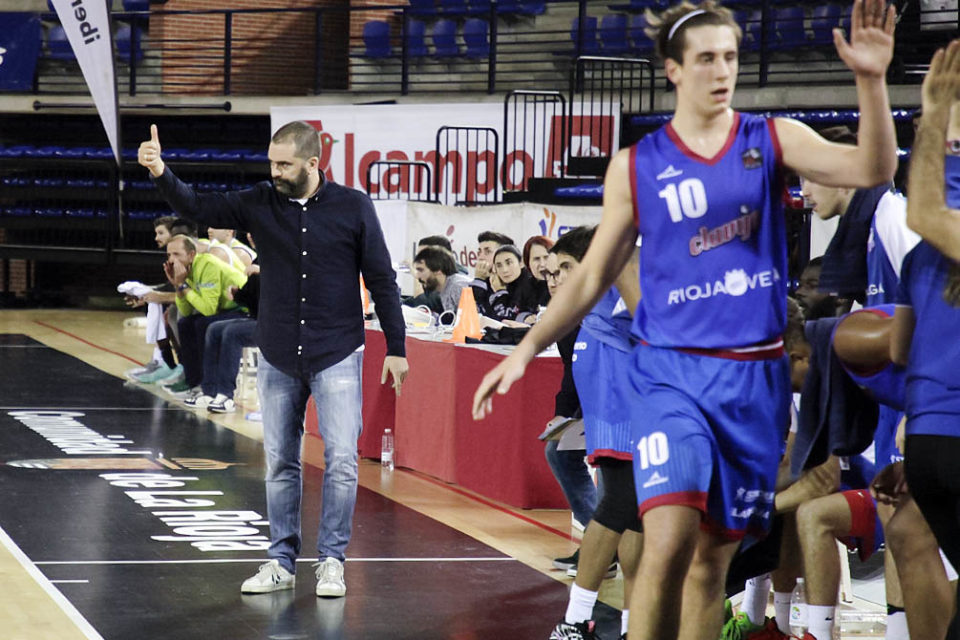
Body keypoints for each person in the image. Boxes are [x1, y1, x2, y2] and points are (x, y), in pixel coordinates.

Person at [473, 1, 897, 638]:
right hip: (671, 376)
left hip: (753, 383)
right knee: (667, 541)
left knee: (709, 565)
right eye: (706, 58)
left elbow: (873, 168)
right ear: (672, 70)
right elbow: (591, 273)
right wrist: (525, 347)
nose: (722, 70)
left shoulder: (772, 138)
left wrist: (871, 80)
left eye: (729, 56)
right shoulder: (637, 165)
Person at [138, 119, 409, 598]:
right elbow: (196, 205)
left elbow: (383, 279)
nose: (275, 171)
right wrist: (161, 171)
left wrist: (397, 347)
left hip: (337, 351)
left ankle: (331, 561)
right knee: (281, 462)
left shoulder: (354, 207)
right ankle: (281, 561)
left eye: (284, 164)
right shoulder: (260, 201)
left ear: (312, 162)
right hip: (279, 352)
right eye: (271, 162)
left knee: (343, 459)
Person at [890, 39, 960, 639]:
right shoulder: (932, 229)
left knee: (912, 538)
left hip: (928, 440)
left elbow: (896, 350)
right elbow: (926, 211)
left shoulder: (918, 256)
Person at [549, 227, 643, 640]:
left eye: (565, 268)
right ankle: (575, 619)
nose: (557, 279)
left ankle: (631, 624)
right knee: (620, 501)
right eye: (555, 271)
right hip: (614, 373)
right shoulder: (622, 261)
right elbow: (648, 320)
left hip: (615, 371)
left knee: (637, 511)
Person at [164, 234, 249, 401]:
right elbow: (187, 311)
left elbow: (209, 310)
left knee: (204, 324)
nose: (172, 260)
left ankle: (210, 386)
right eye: (169, 255)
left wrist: (183, 285)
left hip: (245, 307)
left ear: (191, 255)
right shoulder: (186, 270)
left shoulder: (208, 264)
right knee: (185, 324)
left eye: (177, 254)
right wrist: (178, 287)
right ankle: (194, 382)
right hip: (226, 309)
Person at [482, 244, 541, 324]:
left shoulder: (534, 285)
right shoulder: (493, 284)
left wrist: (500, 293)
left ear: (521, 263)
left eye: (509, 263)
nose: (505, 270)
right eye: (499, 266)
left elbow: (505, 318)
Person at [409, 246, 472, 314]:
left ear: (438, 270)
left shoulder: (457, 286)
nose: (417, 276)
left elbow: (473, 319)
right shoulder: (444, 289)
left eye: (421, 270)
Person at [470, 230, 514, 314]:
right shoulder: (484, 281)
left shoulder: (517, 281)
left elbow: (503, 318)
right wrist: (479, 281)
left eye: (488, 252)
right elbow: (473, 313)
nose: (481, 257)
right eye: (479, 252)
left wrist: (500, 292)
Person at [523, 234, 554, 306]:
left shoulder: (564, 285)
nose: (542, 264)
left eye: (546, 257)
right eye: (536, 259)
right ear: (528, 263)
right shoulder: (523, 288)